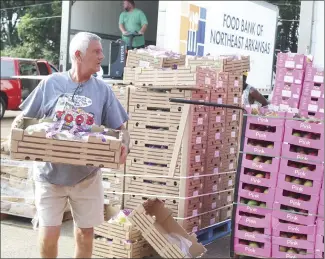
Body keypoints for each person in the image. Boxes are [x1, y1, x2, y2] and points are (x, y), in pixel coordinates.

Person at [10, 32, 130, 258]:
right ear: (78, 55)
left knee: (85, 234)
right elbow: (23, 118)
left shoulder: (103, 90)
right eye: (96, 51)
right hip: (49, 174)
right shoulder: (51, 83)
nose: (102, 56)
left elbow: (122, 128)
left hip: (86, 177)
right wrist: (14, 137)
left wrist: (124, 146)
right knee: (48, 235)